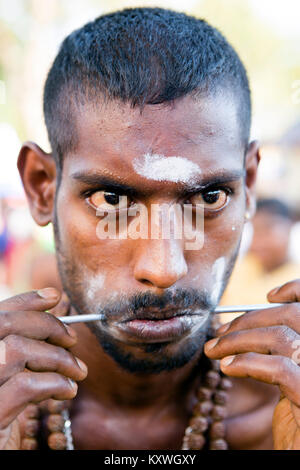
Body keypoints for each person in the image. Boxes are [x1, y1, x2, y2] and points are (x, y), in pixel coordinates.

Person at [0, 8, 299, 450]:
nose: (163, 270)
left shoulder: (281, 417)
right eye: (112, 200)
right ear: (42, 188)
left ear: (249, 184)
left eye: (208, 198)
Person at [221, 198, 300, 308]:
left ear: (290, 226)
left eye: (266, 230)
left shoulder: (296, 278)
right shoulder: (237, 268)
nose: (257, 242)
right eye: (254, 231)